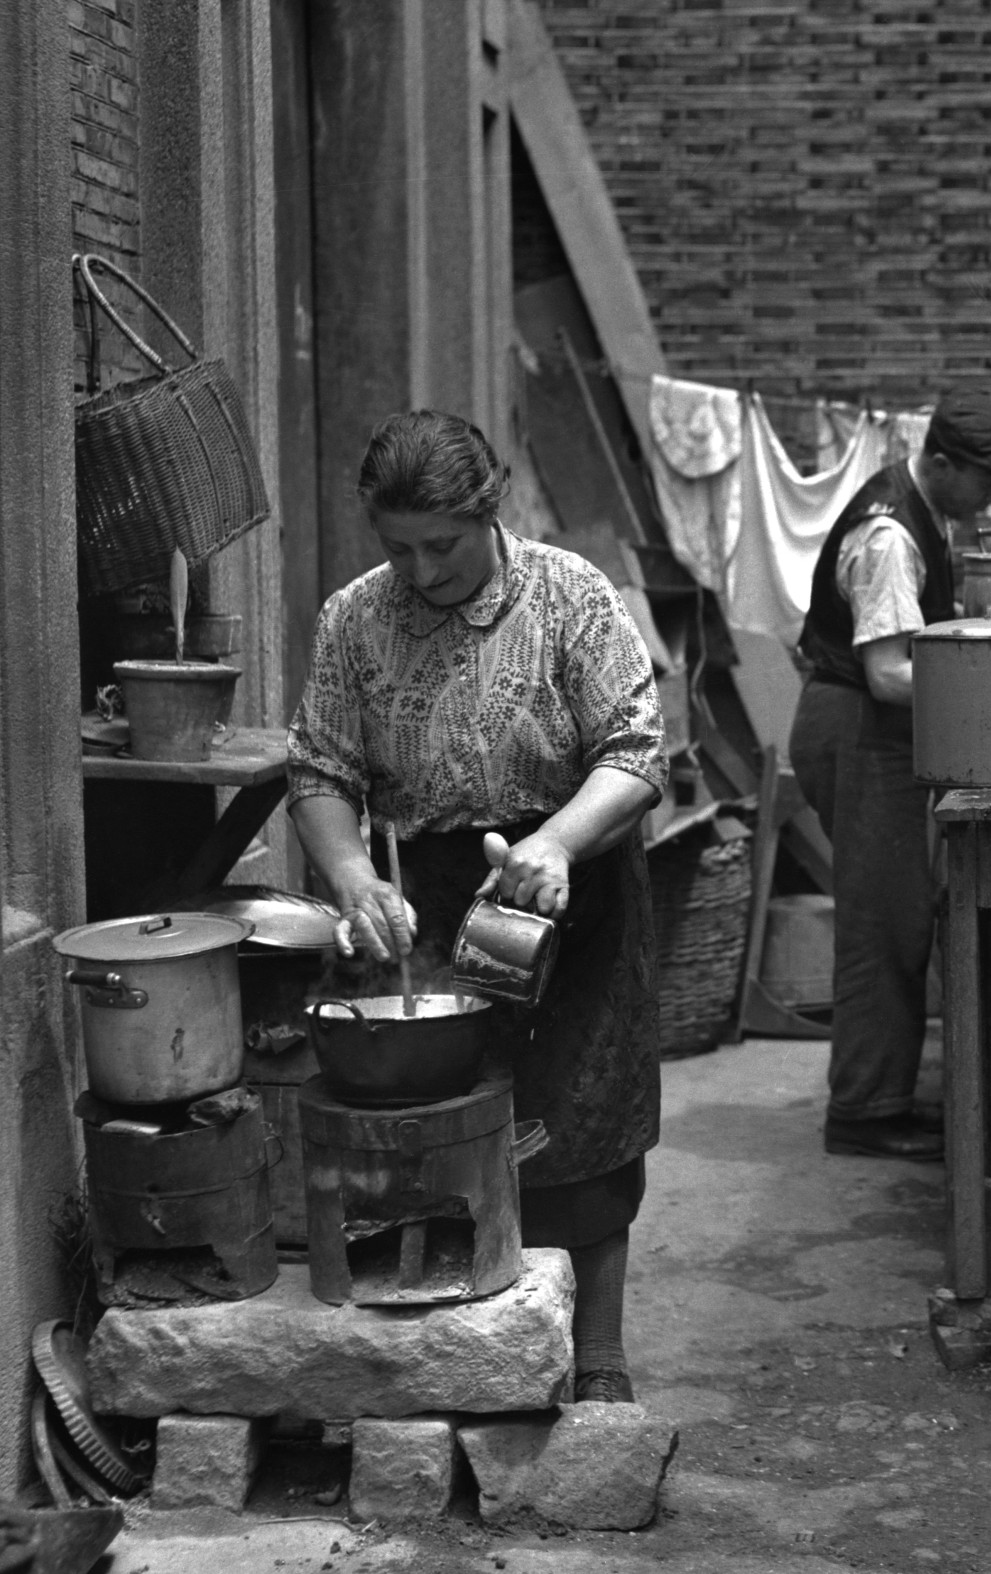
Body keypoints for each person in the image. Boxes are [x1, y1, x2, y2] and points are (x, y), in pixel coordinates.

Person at [287, 410, 666, 1403]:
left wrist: (555, 842)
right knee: (436, 1123)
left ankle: (597, 1353)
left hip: (563, 880)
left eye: (442, 544)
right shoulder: (354, 620)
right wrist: (351, 875)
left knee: (579, 1120)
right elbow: (321, 768)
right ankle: (454, 1344)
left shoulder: (571, 594)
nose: (420, 570)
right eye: (397, 547)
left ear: (487, 509)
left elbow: (635, 754)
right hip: (429, 891)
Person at [789, 389, 991, 1160]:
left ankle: (882, 1095)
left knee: (898, 919)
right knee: (880, 925)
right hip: (859, 730)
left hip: (878, 735)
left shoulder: (928, 515)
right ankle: (863, 1113)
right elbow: (889, 675)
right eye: (986, 483)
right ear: (938, 462)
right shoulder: (891, 534)